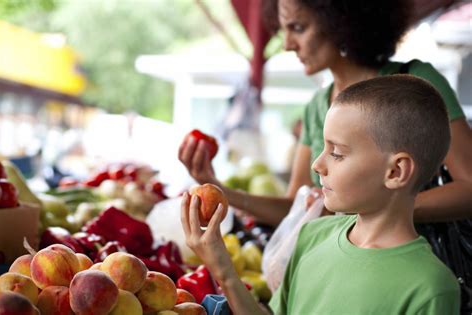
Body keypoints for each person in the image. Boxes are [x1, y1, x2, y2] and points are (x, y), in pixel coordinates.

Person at [181, 75, 460, 314]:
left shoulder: (431, 288)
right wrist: (223, 269)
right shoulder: (312, 236)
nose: (317, 165)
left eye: (336, 153)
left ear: (396, 172)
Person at [178, 0, 472, 226]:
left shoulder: (418, 83)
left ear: (342, 21)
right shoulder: (317, 106)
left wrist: (383, 206)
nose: (288, 44)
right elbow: (295, 206)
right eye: (284, 31)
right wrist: (219, 190)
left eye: (298, 28)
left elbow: (469, 188)